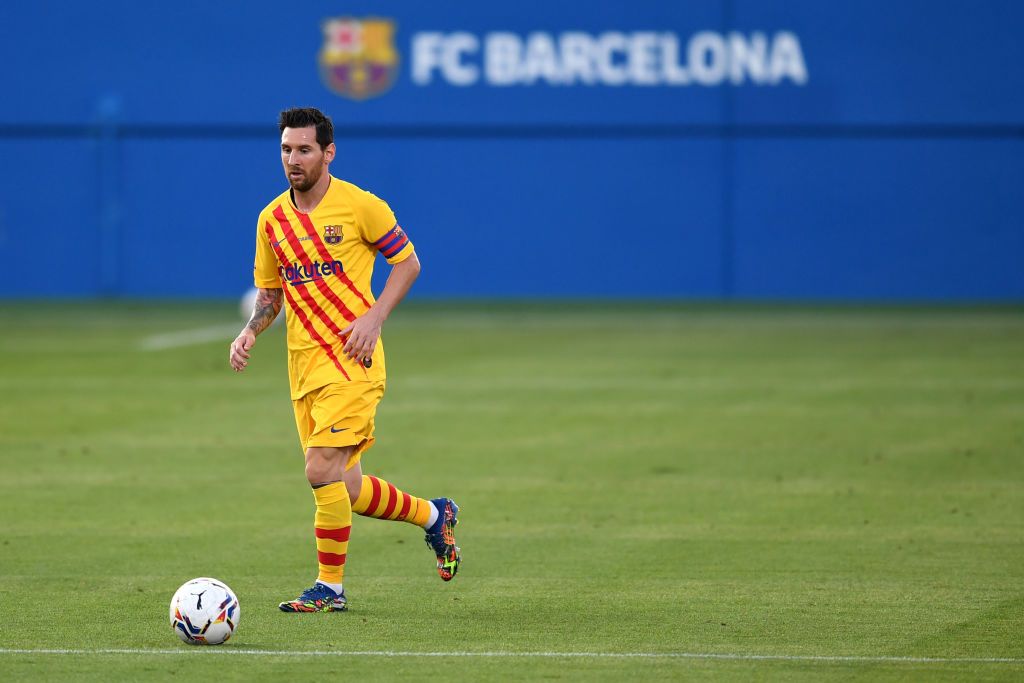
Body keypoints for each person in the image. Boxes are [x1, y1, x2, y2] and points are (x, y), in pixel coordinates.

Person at [229, 107, 460, 613]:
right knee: (346, 486)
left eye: (304, 149)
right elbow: (270, 294)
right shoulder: (272, 220)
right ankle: (433, 516)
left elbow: (408, 261)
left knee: (320, 469)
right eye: (287, 149)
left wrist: (375, 317)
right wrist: (249, 332)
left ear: (328, 152)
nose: (293, 159)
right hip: (304, 370)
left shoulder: (360, 206)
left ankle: (329, 589)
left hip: (354, 362)